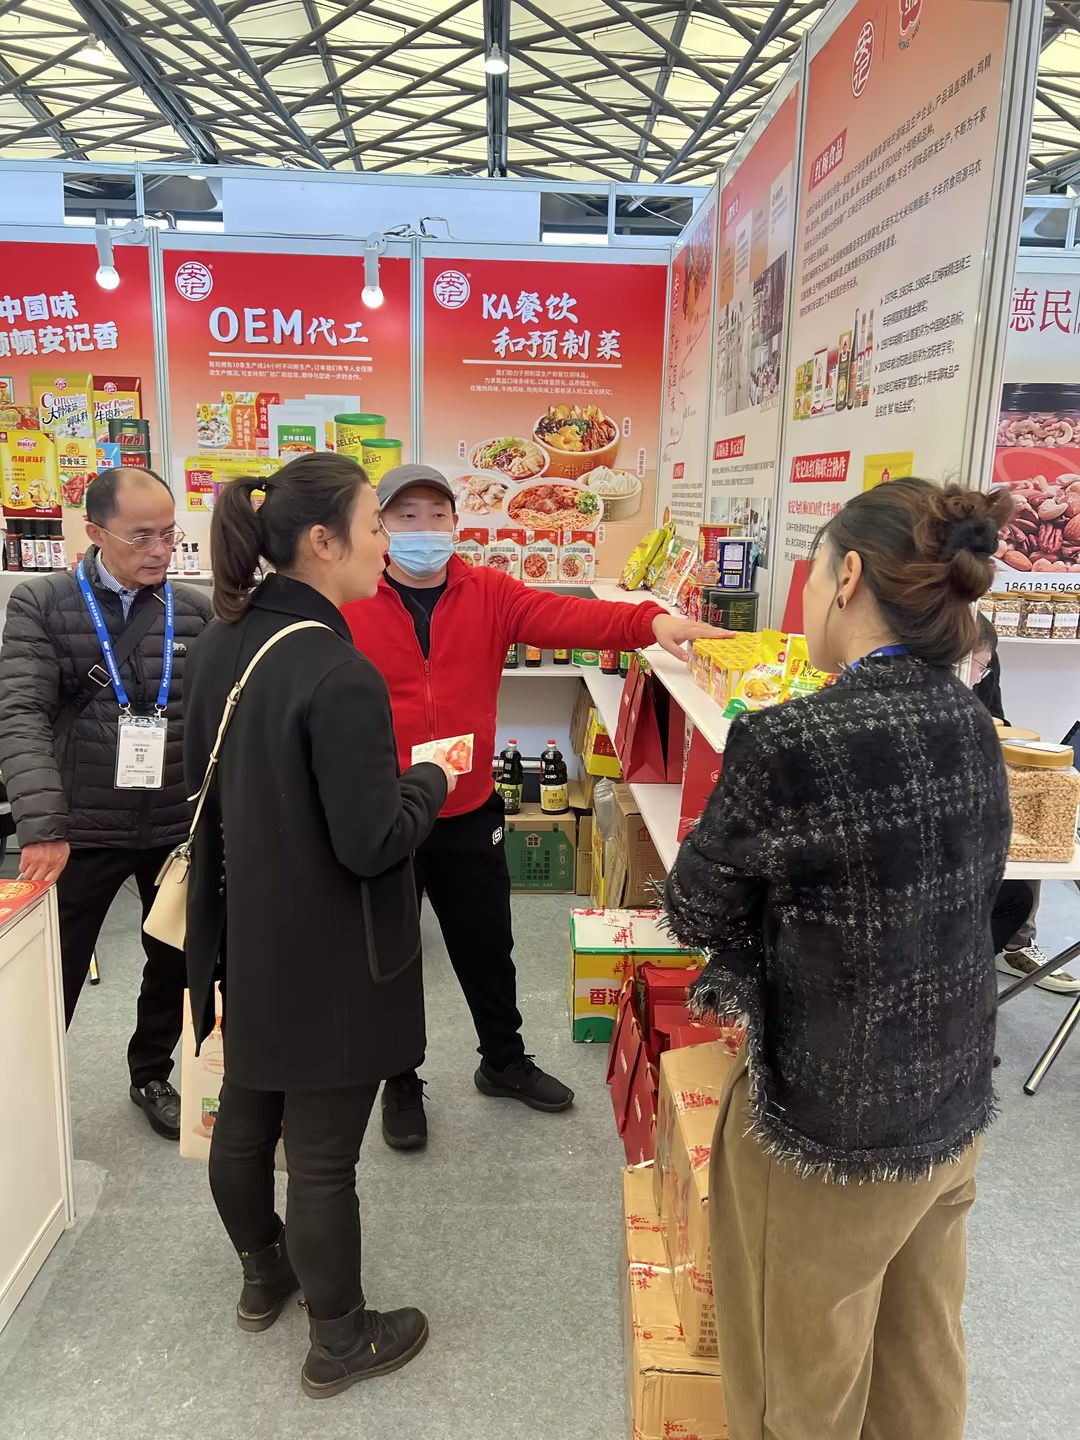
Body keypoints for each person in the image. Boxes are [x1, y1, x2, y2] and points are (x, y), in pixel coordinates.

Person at [663, 478, 1013, 1440]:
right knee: (921, 1355)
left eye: (813, 575)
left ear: (848, 576)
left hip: (830, 1127)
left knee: (798, 1390)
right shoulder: (971, 722)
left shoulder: (789, 739)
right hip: (952, 1102)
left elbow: (696, 907)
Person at [342, 463, 726, 1150]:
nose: (424, 530)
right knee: (389, 958)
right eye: (405, 517)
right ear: (380, 528)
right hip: (385, 813)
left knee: (488, 946)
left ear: (455, 523)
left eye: (437, 515)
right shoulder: (351, 600)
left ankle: (503, 1061)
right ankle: (399, 1079)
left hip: (468, 809)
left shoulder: (489, 592)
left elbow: (574, 616)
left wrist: (651, 622)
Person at [183, 454, 455, 1399]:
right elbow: (372, 842)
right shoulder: (340, 671)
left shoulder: (224, 640)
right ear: (322, 541)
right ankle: (339, 1338)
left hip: (246, 929)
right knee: (325, 1156)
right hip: (331, 948)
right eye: (377, 524)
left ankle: (264, 1274)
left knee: (248, 1111)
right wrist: (429, 782)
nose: (389, 544)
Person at [0, 467, 210, 1141]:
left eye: (169, 534)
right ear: (94, 532)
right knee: (50, 967)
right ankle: (23, 1091)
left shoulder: (196, 610)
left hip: (174, 825)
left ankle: (152, 1073)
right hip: (80, 826)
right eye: (140, 535)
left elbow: (215, 721)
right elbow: (21, 714)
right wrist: (41, 824)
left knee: (175, 959)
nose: (160, 549)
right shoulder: (42, 603)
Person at [971, 613, 1077, 993]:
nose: (979, 676)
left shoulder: (984, 650)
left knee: (1030, 838)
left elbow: (997, 717)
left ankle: (1016, 944)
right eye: (977, 667)